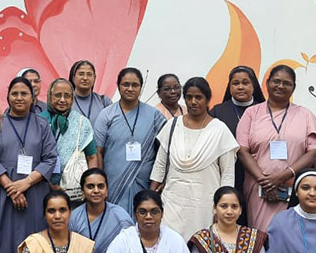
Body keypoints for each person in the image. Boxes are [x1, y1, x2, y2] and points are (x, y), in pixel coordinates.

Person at [0, 77, 58, 253]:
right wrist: (11, 188)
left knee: (33, 243)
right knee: (4, 245)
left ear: (33, 98)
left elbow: (51, 158)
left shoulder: (42, 125)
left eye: (24, 93)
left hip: (34, 193)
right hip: (3, 195)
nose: (19, 98)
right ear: (7, 97)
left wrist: (25, 184)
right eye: (14, 93)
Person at [150, 77, 238, 239]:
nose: (193, 102)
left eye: (198, 97)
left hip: (205, 204)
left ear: (207, 99)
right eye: (189, 97)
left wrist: (223, 207)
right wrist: (150, 199)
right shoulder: (172, 126)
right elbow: (160, 166)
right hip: (173, 202)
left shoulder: (220, 130)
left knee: (201, 250)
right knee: (170, 247)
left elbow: (227, 174)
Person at [236, 64, 316, 232]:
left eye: (286, 83)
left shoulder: (305, 115)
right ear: (267, 84)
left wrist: (283, 176)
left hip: (293, 188)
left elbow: (313, 152)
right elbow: (241, 150)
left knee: (290, 235)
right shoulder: (252, 113)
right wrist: (265, 181)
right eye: (276, 81)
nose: (281, 86)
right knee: (259, 236)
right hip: (258, 188)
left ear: (293, 87)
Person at [93, 67, 165, 215]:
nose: (130, 89)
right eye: (126, 84)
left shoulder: (154, 116)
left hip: (144, 184)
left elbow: (166, 149)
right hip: (113, 185)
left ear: (141, 86)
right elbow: (98, 151)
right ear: (118, 86)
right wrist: (100, 184)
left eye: (135, 85)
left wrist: (162, 178)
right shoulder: (106, 115)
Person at [210, 65, 265, 224]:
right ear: (230, 86)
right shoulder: (218, 112)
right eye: (235, 83)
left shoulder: (265, 110)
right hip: (227, 174)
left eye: (245, 82)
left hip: (258, 175)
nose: (240, 87)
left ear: (253, 85)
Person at [41, 78, 98, 202]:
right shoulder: (39, 121)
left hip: (73, 191)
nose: (62, 100)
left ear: (72, 99)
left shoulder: (81, 123)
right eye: (57, 95)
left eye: (67, 96)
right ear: (50, 97)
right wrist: (48, 183)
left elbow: (92, 157)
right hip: (42, 186)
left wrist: (90, 184)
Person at [69, 59, 112, 125]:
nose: (85, 78)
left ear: (94, 78)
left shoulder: (104, 102)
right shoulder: (65, 102)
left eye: (89, 74)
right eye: (81, 74)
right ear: (73, 77)